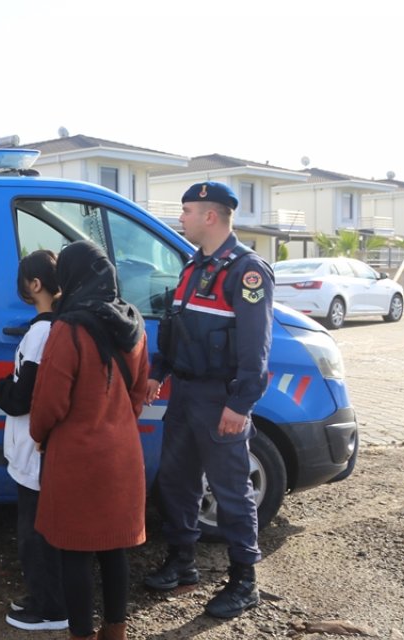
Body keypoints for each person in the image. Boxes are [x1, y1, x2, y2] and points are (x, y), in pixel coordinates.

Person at [143, 181, 275, 620]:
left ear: (210, 216)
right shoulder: (192, 266)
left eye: (186, 211)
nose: (180, 219)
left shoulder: (247, 271)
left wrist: (241, 405)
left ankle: (244, 582)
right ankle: (182, 562)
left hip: (221, 400)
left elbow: (256, 349)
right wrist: (158, 373)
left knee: (231, 492)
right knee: (176, 482)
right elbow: (176, 329)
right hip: (184, 393)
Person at [29, 240, 149, 640]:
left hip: (77, 457)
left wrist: (39, 435)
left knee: (74, 552)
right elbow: (138, 391)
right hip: (123, 453)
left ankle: (81, 635)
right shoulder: (133, 322)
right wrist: (117, 422)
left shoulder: (68, 327)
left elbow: (50, 401)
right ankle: (115, 631)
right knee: (114, 548)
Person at [0, 249, 66, 632]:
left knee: (34, 534)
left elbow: (22, 395)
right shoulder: (60, 327)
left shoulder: (41, 332)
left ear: (34, 285)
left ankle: (50, 607)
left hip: (33, 451)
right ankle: (49, 598)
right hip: (39, 450)